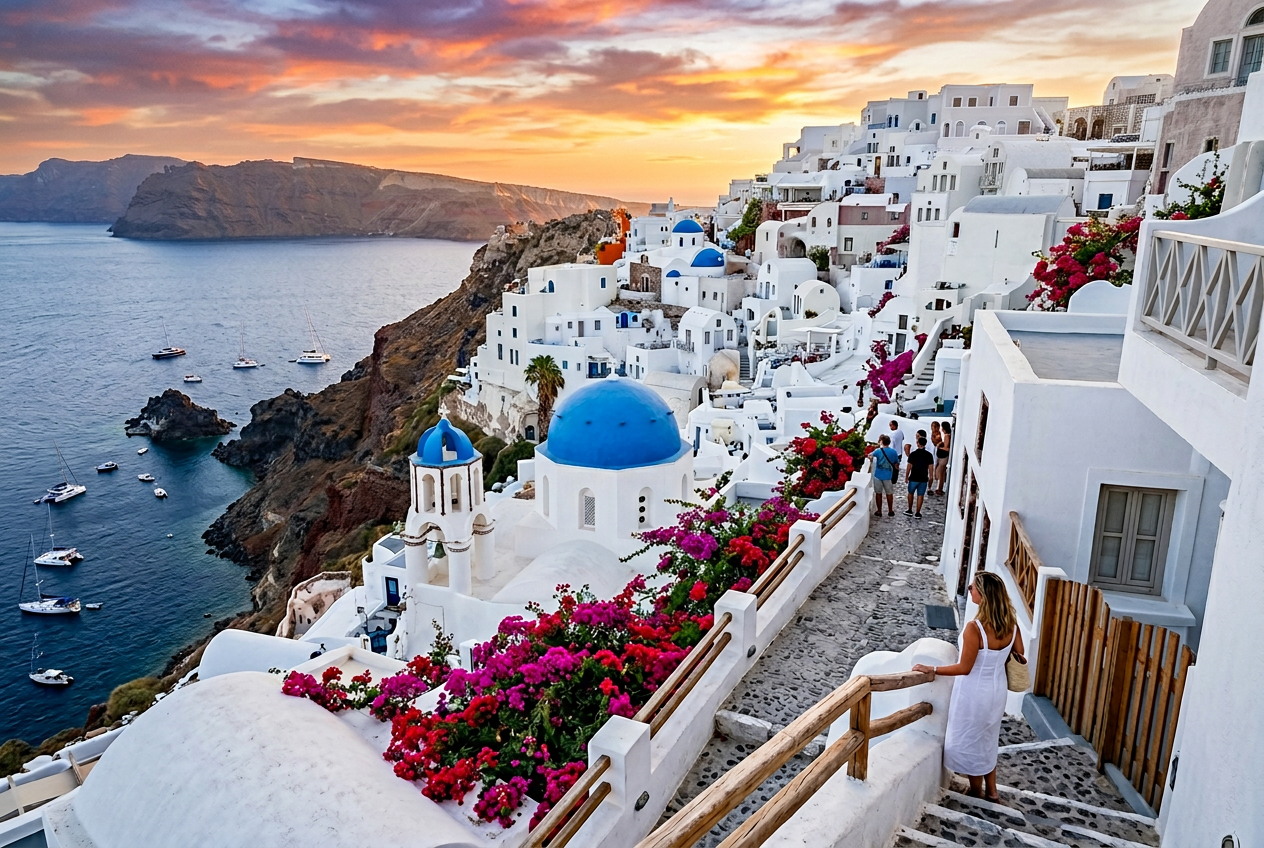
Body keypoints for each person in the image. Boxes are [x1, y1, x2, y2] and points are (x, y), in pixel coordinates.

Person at [913, 572, 1025, 802]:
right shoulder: (1011, 624)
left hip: (974, 692)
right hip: (997, 690)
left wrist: (933, 670)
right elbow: (1019, 651)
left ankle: (976, 790)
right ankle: (992, 792)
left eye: (973, 587)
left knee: (970, 738)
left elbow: (964, 667)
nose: (970, 588)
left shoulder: (975, 629)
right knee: (988, 737)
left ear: (983, 596)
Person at [869, 434, 900, 517]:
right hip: (888, 475)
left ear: (881, 442)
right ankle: (890, 510)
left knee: (878, 493)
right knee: (889, 493)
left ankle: (879, 511)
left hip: (878, 475)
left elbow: (869, 455)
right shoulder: (893, 452)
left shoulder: (878, 451)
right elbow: (896, 463)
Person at [905, 436, 934, 518]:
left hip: (914, 477)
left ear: (917, 444)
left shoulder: (913, 454)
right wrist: (931, 477)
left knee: (910, 493)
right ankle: (918, 512)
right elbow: (931, 468)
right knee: (920, 495)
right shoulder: (929, 455)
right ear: (925, 444)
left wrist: (906, 476)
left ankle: (910, 510)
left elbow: (909, 467)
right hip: (923, 478)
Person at [934, 422, 952, 495]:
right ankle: (940, 488)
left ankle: (940, 488)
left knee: (941, 473)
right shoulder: (949, 435)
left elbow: (947, 448)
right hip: (945, 456)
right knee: (942, 472)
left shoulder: (947, 436)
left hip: (944, 457)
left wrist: (939, 447)